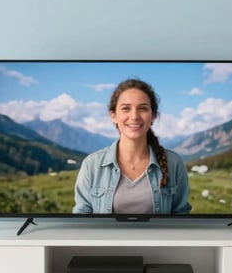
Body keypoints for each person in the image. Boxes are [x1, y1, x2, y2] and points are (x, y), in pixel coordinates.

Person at [73, 79, 191, 215]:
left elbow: (181, 217)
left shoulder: (174, 163)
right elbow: (81, 219)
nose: (134, 116)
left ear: (153, 115)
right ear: (113, 116)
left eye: (143, 108)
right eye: (126, 109)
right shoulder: (92, 164)